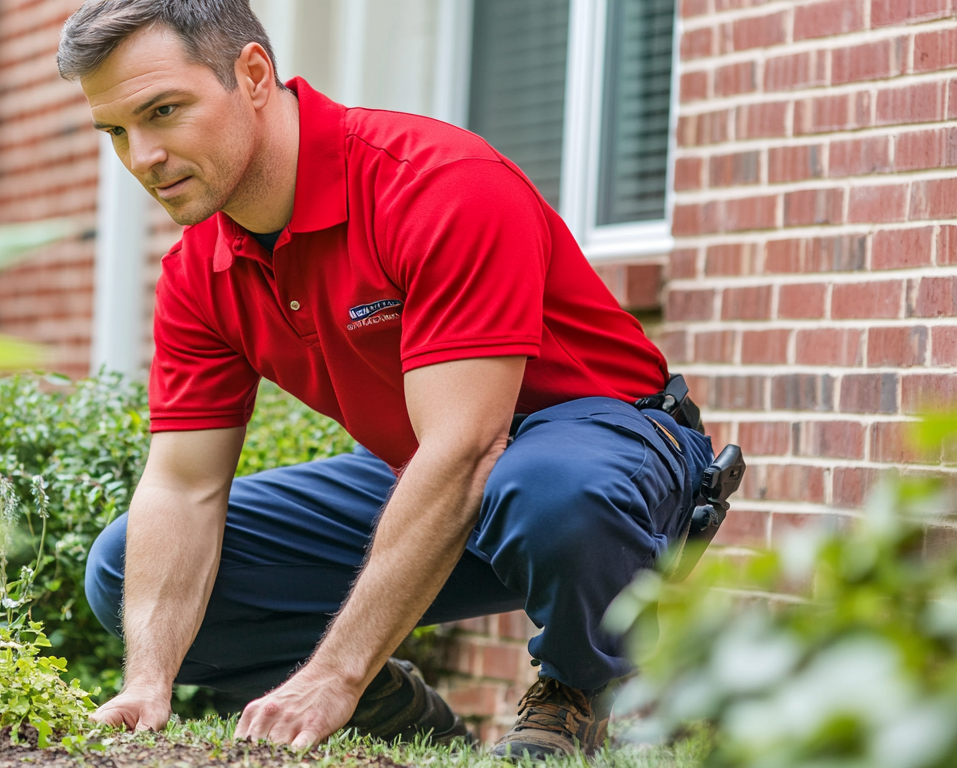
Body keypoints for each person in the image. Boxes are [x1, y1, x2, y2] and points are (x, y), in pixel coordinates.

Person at [58, 0, 714, 759]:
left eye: (163, 111)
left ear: (254, 74)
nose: (142, 156)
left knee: (546, 492)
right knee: (122, 568)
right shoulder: (201, 270)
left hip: (607, 450)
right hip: (434, 468)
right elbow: (182, 487)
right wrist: (148, 677)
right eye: (116, 132)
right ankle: (388, 706)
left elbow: (470, 444)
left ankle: (582, 688)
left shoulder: (437, 184)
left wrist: (335, 667)